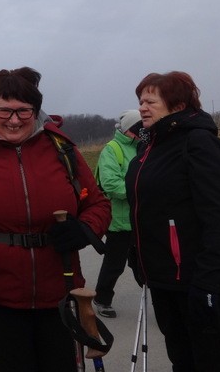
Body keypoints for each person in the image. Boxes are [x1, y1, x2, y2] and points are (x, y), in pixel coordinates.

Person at [0, 67, 111, 371]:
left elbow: (98, 203)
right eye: (5, 110)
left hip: (60, 292)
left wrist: (85, 229)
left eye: (24, 111)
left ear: (36, 111)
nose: (14, 120)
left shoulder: (61, 148)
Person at [125, 71, 220, 371]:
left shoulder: (199, 143)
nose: (142, 108)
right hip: (166, 280)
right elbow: (146, 207)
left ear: (177, 106)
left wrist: (207, 283)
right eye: (140, 101)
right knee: (183, 360)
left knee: (214, 362)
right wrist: (138, 256)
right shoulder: (148, 147)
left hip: (202, 281)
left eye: (151, 101)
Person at [92, 109, 141, 318]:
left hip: (142, 219)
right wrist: (141, 191)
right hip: (119, 222)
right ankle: (102, 299)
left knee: (146, 264)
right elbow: (111, 185)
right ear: (129, 129)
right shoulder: (111, 150)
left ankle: (160, 299)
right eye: (138, 129)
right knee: (114, 265)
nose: (142, 132)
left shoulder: (144, 147)